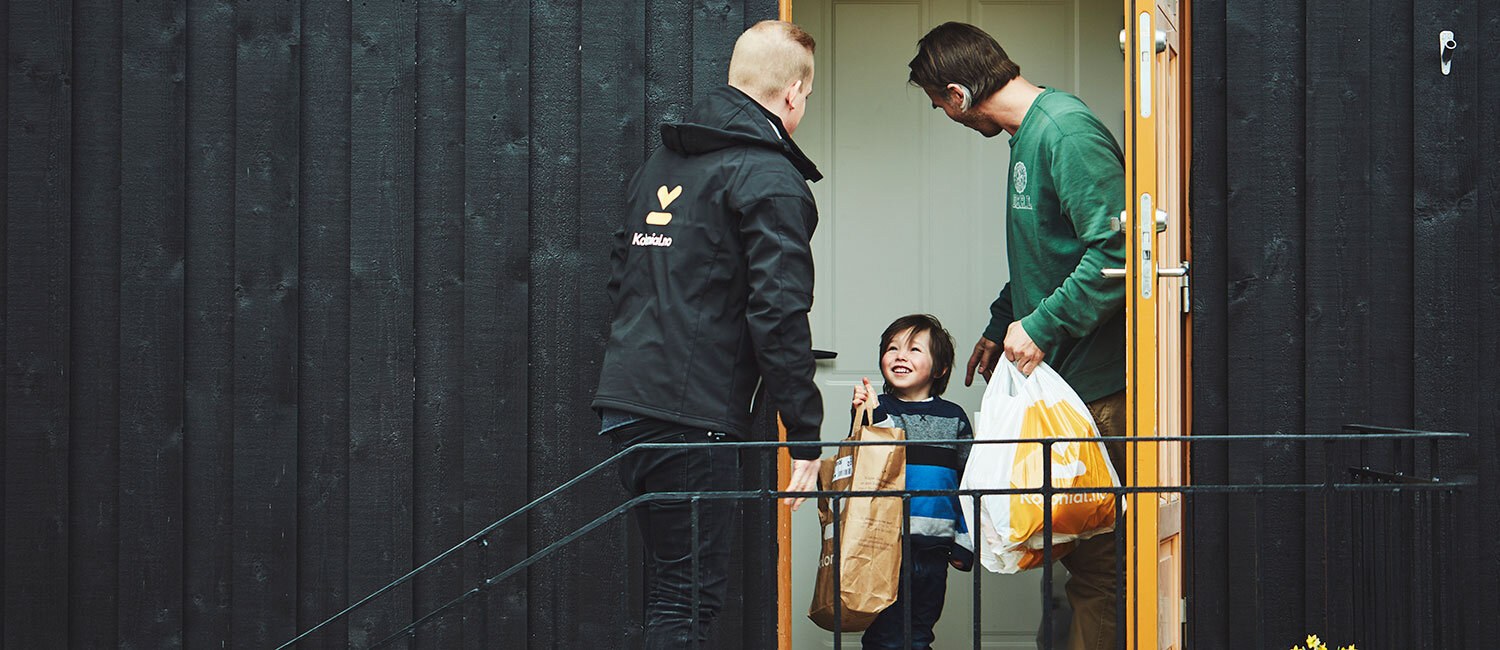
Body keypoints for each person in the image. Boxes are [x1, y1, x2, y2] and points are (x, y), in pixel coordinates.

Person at [591, 20, 825, 649]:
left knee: (674, 593)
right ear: (793, 92)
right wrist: (805, 434)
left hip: (629, 409)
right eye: (807, 95)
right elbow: (779, 312)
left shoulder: (662, 166)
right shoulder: (769, 177)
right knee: (685, 603)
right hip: (690, 419)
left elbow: (622, 279)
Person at [907, 22, 1129, 650]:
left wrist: (1041, 325)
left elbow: (1117, 254)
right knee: (1065, 552)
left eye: (938, 104)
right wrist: (1001, 323)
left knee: (1101, 570)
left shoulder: (1065, 132)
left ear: (957, 94)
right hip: (1065, 387)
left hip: (1099, 392)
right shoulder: (1025, 137)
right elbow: (1048, 254)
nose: (944, 116)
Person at [850, 314, 974, 650]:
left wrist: (965, 541)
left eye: (914, 349)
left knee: (919, 633)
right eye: (892, 348)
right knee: (884, 636)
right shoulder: (879, 408)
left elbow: (969, 485)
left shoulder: (954, 417)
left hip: (935, 547)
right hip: (884, 545)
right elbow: (870, 460)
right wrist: (866, 413)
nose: (900, 355)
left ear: (940, 368)